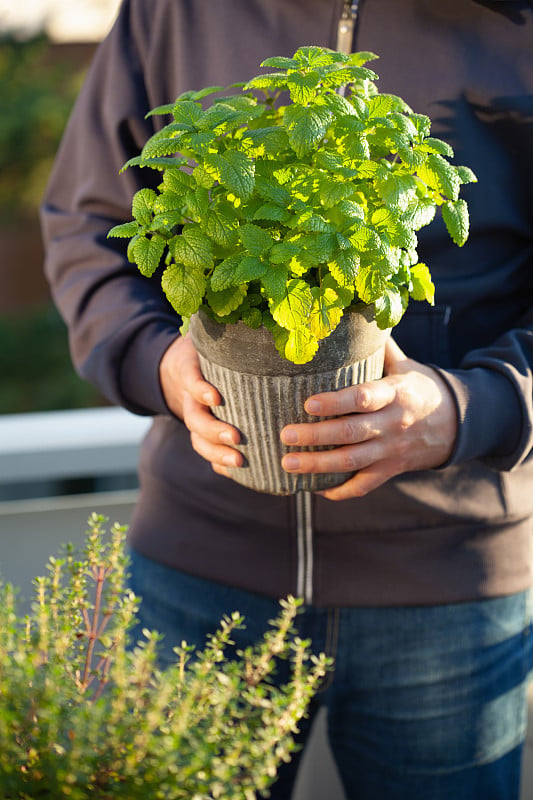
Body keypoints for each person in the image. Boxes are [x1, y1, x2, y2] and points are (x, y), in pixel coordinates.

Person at [41, 1, 533, 798]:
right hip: (200, 564)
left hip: (448, 582)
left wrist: (468, 408)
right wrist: (156, 361)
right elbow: (85, 224)